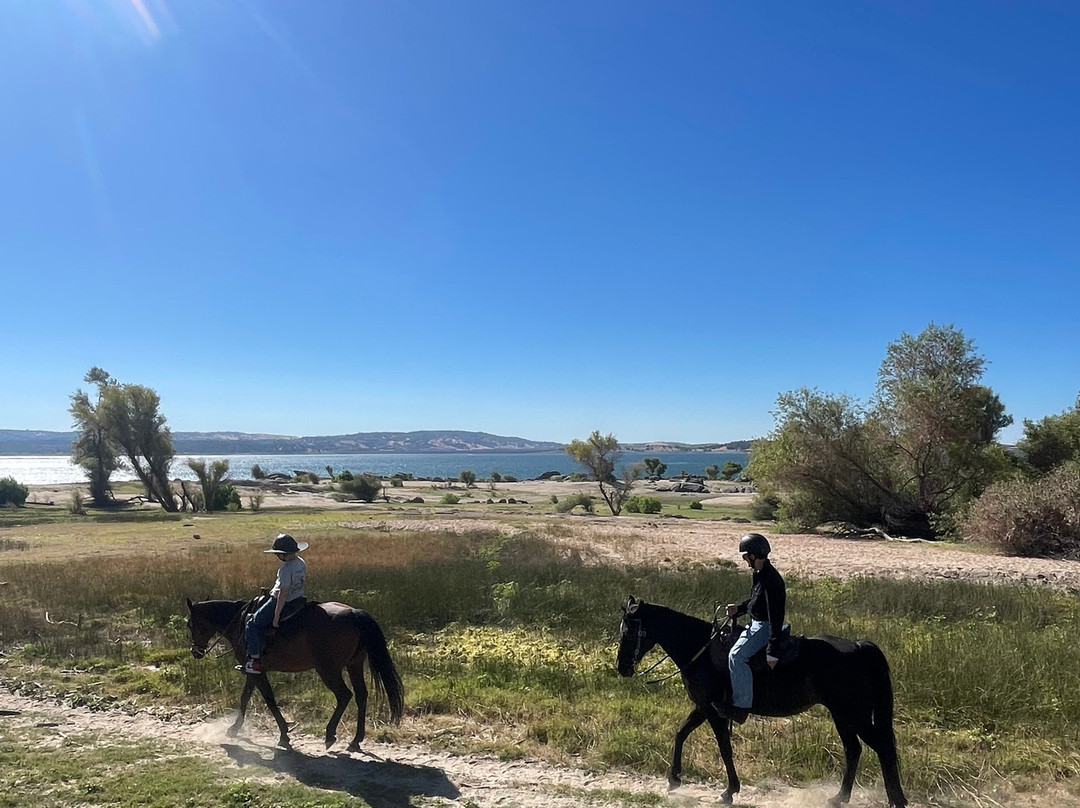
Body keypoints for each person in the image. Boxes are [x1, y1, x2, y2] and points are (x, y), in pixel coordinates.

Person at [717, 532, 785, 724]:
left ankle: (741, 707)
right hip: (756, 623)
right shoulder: (760, 575)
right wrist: (739, 609)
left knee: (736, 656)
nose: (745, 560)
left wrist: (772, 649)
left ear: (754, 556)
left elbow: (775, 616)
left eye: (746, 556)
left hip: (764, 627)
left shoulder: (771, 580)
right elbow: (756, 602)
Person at [240, 533, 309, 674]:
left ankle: (255, 661)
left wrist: (276, 616)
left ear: (282, 555)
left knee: (251, 624)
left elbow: (283, 593)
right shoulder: (300, 562)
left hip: (281, 600)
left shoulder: (286, 569)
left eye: (278, 554)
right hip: (298, 598)